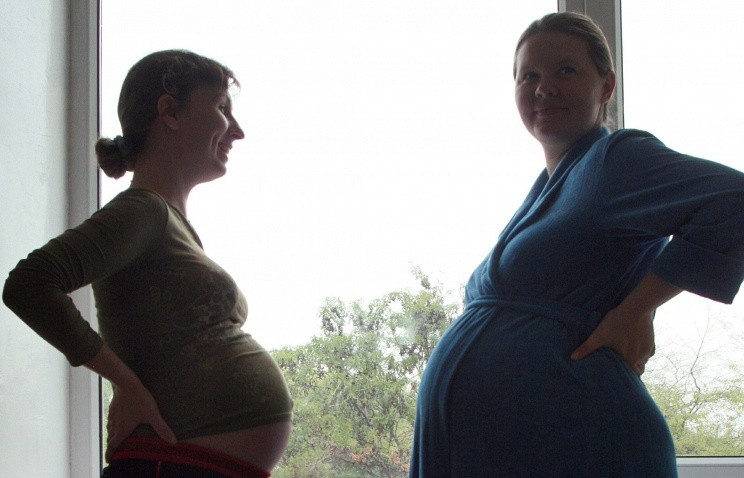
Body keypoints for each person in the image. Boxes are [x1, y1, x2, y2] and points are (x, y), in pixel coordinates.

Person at [410, 12, 744, 477]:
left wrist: (636, 310)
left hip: (580, 439)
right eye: (529, 75)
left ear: (607, 86)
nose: (543, 88)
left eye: (565, 70)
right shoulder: (551, 190)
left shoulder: (616, 160)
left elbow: (735, 200)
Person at [3, 50, 293, 478]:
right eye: (221, 107)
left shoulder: (168, 221)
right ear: (170, 112)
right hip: (169, 466)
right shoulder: (144, 211)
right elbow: (29, 283)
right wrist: (126, 384)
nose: (237, 131)